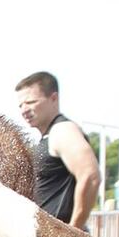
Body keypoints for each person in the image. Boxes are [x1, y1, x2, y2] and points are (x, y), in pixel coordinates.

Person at [14, 71, 101, 227]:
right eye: (20, 105)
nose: (24, 110)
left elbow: (90, 176)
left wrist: (74, 231)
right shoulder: (49, 136)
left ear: (53, 98)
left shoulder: (63, 130)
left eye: (31, 102)